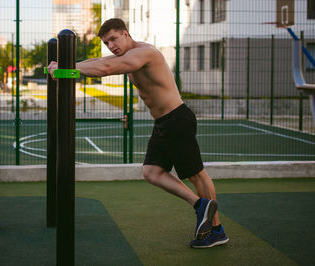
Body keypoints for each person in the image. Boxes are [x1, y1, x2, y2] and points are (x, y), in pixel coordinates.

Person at [47, 18, 229, 248]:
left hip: (177, 119)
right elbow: (101, 60)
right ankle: (199, 205)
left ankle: (217, 229)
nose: (111, 45)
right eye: (106, 42)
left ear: (126, 34)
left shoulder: (145, 53)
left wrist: (66, 68)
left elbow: (106, 68)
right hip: (163, 122)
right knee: (151, 172)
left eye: (113, 39)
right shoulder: (125, 54)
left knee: (197, 175)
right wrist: (67, 62)